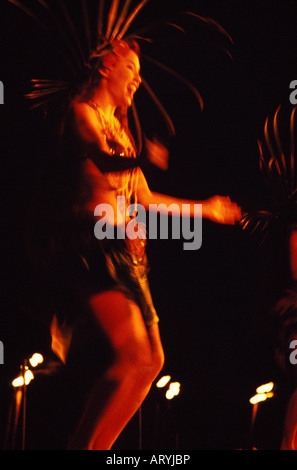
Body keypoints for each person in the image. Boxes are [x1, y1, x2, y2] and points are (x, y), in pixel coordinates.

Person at [40, 38, 241, 450]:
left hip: (127, 256)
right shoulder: (83, 114)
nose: (137, 80)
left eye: (140, 73)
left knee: (152, 361)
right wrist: (143, 161)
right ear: (105, 67)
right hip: (91, 245)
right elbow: (99, 158)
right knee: (132, 354)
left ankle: (95, 445)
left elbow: (146, 199)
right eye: (130, 69)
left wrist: (207, 208)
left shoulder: (124, 136)